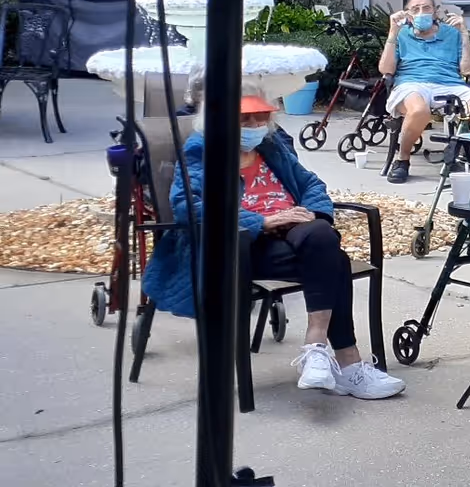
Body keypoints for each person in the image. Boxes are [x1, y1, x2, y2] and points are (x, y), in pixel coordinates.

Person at [140, 84, 406, 400]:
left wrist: (311, 212)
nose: (255, 126)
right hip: (242, 245)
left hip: (294, 233)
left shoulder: (271, 146)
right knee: (333, 259)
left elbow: (312, 184)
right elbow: (187, 205)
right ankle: (347, 365)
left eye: (261, 117)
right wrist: (260, 221)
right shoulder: (202, 151)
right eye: (245, 119)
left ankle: (318, 347)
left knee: (321, 235)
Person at [379, 0, 470, 183]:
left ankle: (456, 153)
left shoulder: (452, 33)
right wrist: (392, 32)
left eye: (426, 8)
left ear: (435, 11)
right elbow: (386, 70)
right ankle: (402, 160)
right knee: (419, 111)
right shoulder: (401, 33)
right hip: (411, 83)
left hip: (451, 84)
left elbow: (468, 71)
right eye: (415, 9)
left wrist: (464, 34)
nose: (421, 13)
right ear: (407, 14)